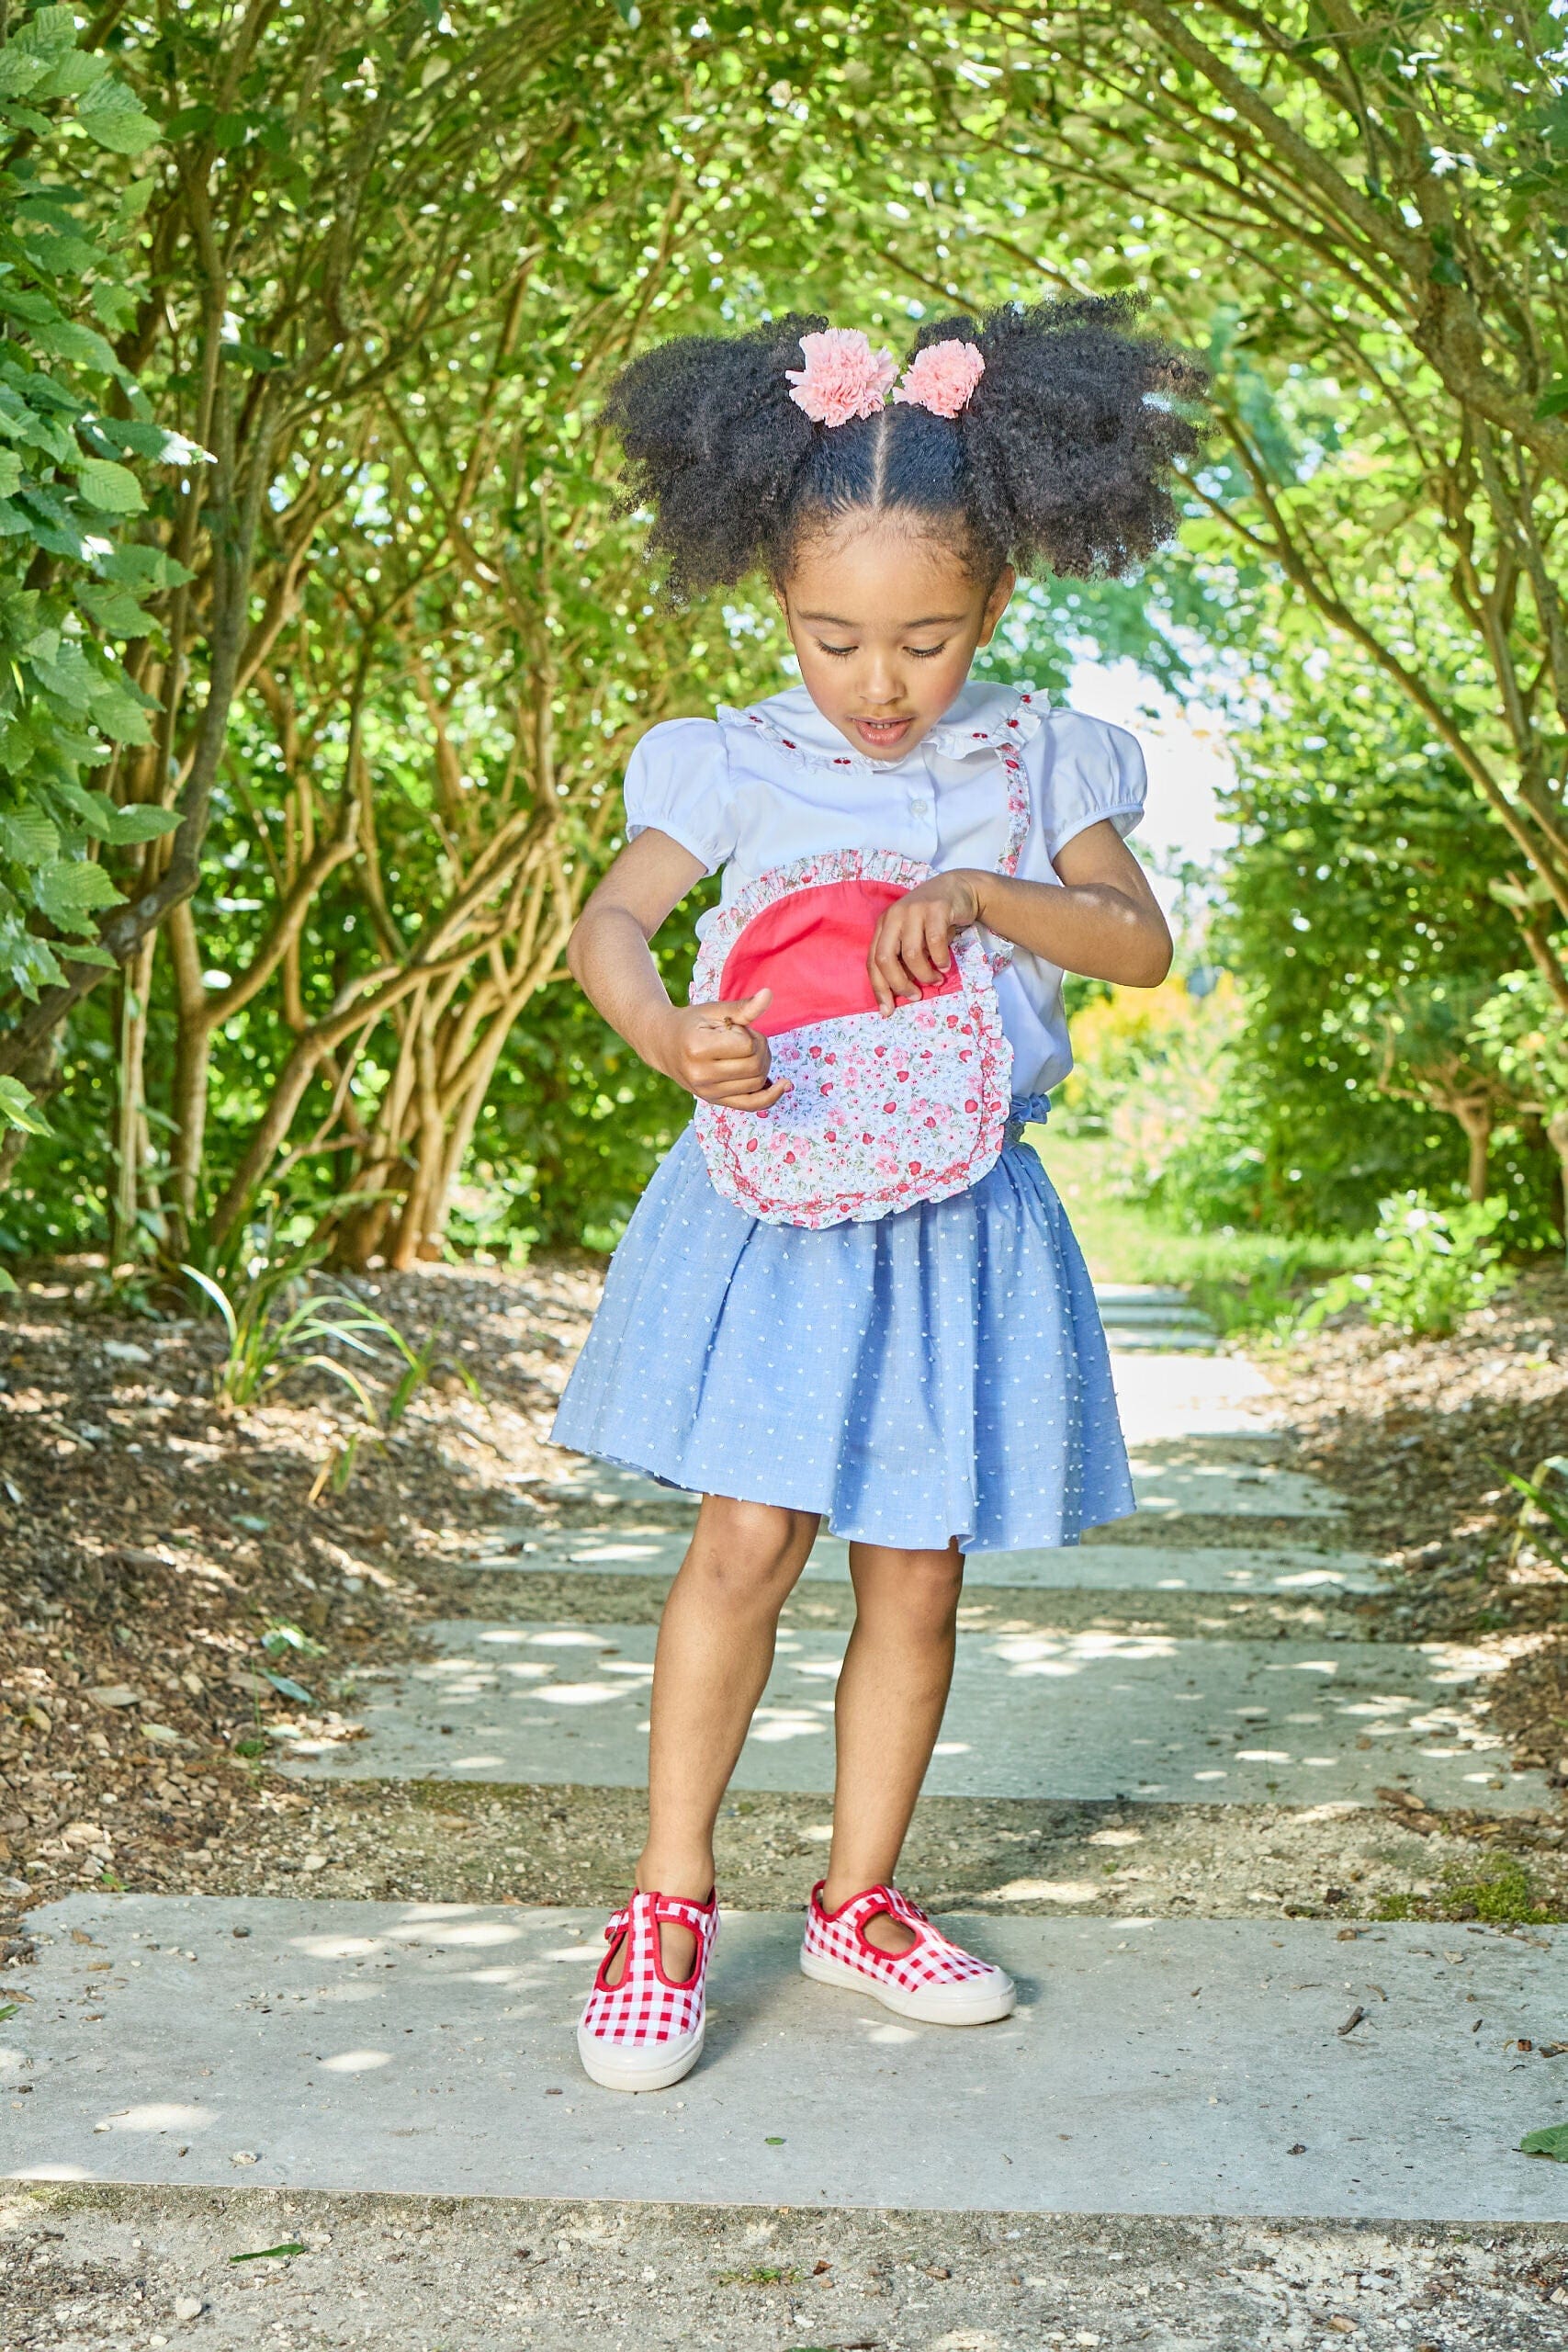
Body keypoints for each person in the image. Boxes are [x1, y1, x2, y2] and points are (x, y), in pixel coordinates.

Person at [553, 299, 1201, 2092]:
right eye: (831, 637)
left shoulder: (1037, 758)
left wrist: (986, 897)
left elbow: (1135, 943)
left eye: (925, 637)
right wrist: (670, 1032)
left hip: (958, 1216)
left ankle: (859, 1897)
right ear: (776, 595)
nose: (879, 683)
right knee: (745, 1541)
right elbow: (611, 923)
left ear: (995, 602)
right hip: (777, 1210)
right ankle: (666, 1902)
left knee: (915, 1570)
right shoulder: (736, 756)